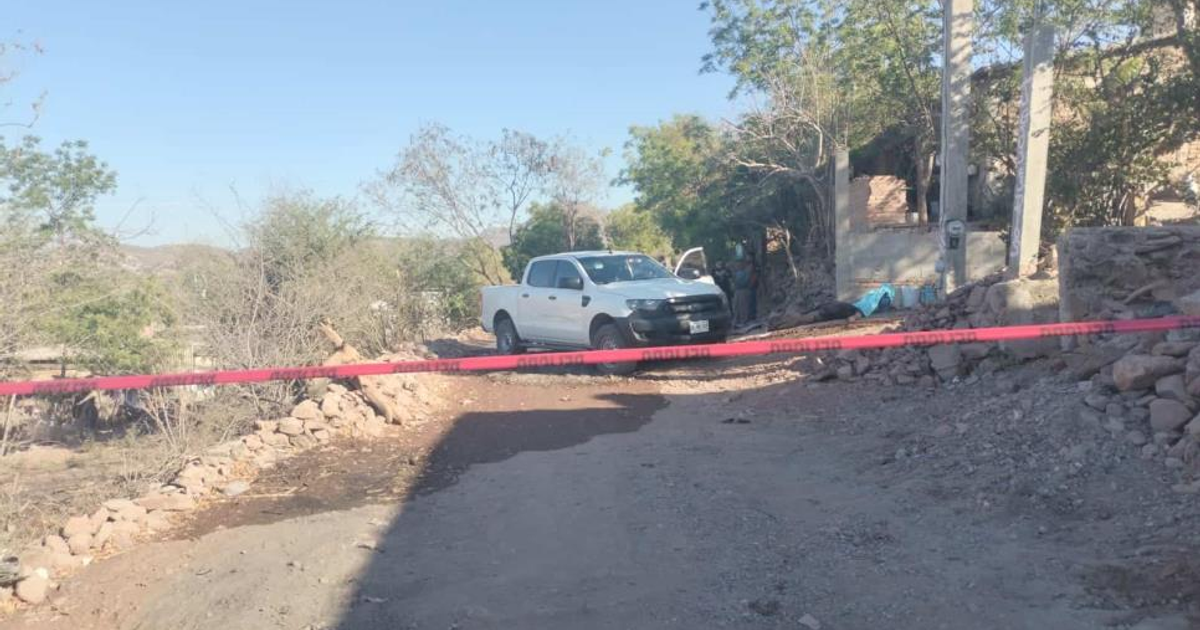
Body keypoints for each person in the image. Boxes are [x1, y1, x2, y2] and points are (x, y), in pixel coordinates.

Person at [732, 260, 753, 326]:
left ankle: (744, 320)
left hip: (743, 290)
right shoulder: (737, 273)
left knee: (743, 306)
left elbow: (746, 281)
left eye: (739, 265)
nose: (737, 266)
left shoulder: (745, 273)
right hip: (737, 291)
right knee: (736, 306)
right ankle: (737, 320)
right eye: (736, 265)